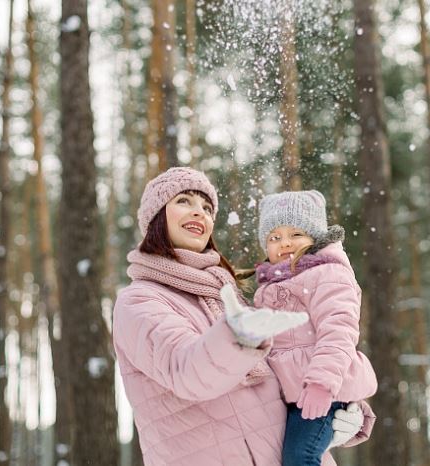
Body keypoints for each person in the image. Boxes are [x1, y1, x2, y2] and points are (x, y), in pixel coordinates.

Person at [112, 167, 373, 466]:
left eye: (207, 207)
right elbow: (187, 372)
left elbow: (286, 365)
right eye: (184, 201)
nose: (200, 212)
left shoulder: (224, 294)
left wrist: (337, 404)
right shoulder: (139, 302)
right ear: (155, 215)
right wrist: (238, 338)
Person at [244, 190, 378, 466]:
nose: (285, 243)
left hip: (323, 390)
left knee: (299, 457)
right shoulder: (268, 287)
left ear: (314, 238)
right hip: (291, 395)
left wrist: (322, 384)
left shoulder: (327, 273)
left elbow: (338, 332)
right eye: (275, 237)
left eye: (296, 234)